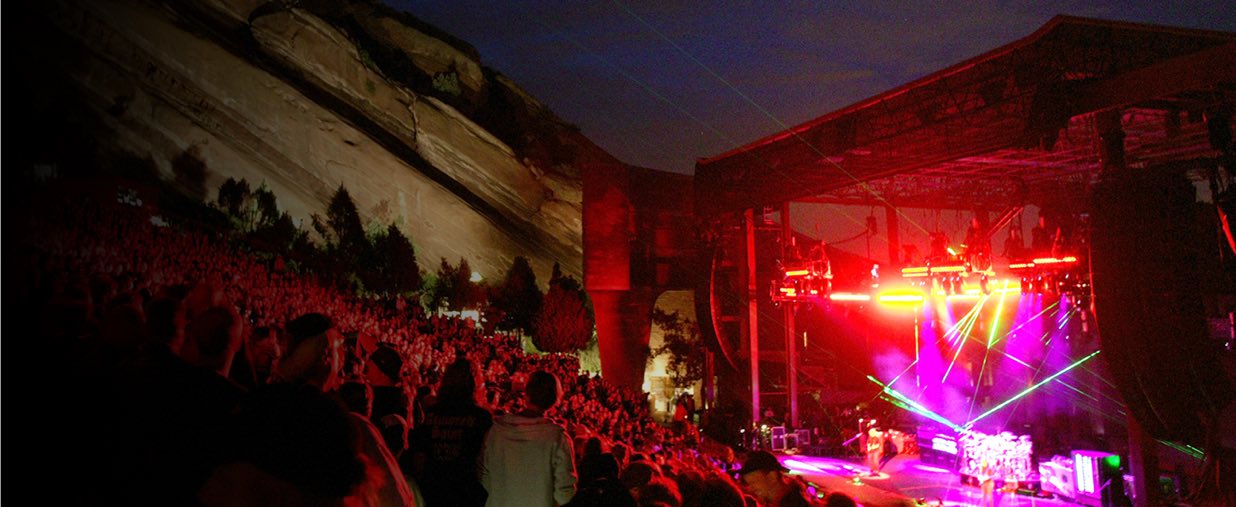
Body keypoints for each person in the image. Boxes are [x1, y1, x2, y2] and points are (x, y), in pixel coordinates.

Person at [481, 370, 577, 507]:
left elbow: (483, 475)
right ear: (554, 399)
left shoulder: (496, 431)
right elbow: (565, 493)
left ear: (527, 393)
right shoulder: (557, 438)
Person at [408, 357, 493, 507]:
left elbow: (418, 459)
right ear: (474, 383)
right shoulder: (480, 417)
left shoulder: (431, 414)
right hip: (467, 493)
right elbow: (486, 461)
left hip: (434, 491)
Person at [737, 451, 818, 507]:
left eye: (754, 482)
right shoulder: (780, 501)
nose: (751, 489)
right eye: (749, 484)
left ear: (772, 476)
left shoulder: (794, 503)